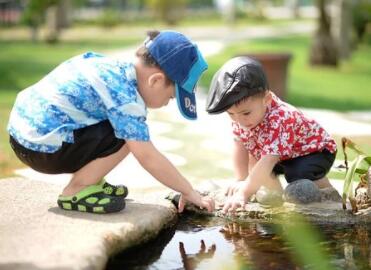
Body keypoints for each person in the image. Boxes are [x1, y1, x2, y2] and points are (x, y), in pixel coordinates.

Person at [7, 30, 215, 214]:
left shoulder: (112, 68)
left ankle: (92, 180)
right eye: (171, 97)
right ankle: (77, 189)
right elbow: (148, 157)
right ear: (156, 81)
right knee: (130, 136)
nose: (167, 104)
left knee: (124, 127)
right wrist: (188, 191)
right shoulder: (125, 97)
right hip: (41, 150)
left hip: (22, 136)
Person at [205, 56, 338, 213]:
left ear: (266, 99)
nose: (239, 120)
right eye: (231, 114)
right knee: (256, 167)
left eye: (246, 113)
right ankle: (277, 199)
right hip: (283, 155)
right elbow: (240, 146)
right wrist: (241, 179)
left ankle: (329, 195)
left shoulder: (280, 118)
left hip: (315, 151)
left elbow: (269, 160)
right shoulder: (242, 117)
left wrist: (243, 194)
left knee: (296, 173)